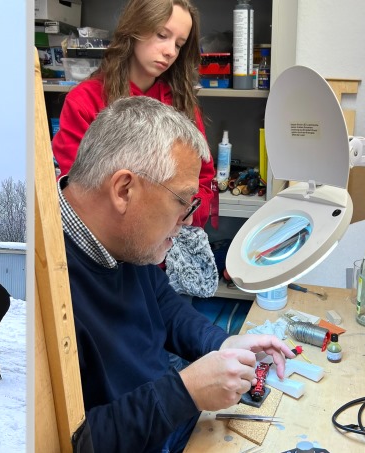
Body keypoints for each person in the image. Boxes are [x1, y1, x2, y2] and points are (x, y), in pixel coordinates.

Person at [58, 96, 294, 452]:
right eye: (182, 201)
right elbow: (76, 442)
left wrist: (221, 343)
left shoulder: (124, 238)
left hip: (170, 425)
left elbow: (161, 304)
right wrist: (185, 392)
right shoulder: (46, 285)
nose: (188, 220)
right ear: (124, 190)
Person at [51, 0, 215, 229]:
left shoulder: (183, 104)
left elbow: (204, 183)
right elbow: (79, 191)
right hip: (108, 237)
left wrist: (187, 212)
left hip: (172, 234)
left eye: (179, 45)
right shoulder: (85, 100)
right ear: (135, 28)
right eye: (161, 35)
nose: (170, 51)